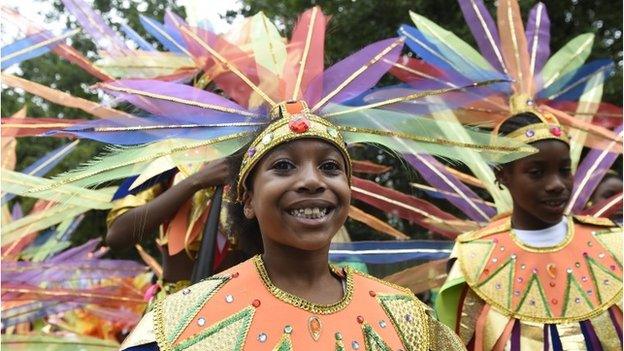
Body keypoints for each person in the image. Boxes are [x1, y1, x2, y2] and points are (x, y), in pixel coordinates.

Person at [120, 101, 465, 351]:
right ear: (248, 201)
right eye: (284, 166)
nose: (312, 181)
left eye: (330, 167)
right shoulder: (183, 319)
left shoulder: (406, 317)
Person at [435, 108, 623, 350]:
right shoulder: (473, 260)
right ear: (502, 175)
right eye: (537, 172)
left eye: (564, 170)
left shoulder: (614, 244)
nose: (556, 184)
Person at [106, 159, 235, 302]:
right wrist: (197, 180)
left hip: (247, 298)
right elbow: (117, 235)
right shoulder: (172, 155)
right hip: (177, 305)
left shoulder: (256, 149)